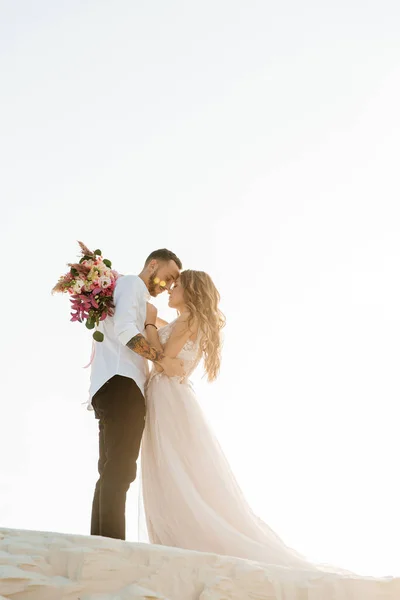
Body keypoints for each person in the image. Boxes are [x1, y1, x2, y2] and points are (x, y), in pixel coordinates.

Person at [141, 270, 315, 569]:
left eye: (176, 285)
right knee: (174, 467)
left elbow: (162, 358)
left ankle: (180, 540)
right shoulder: (185, 320)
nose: (170, 289)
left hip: (167, 396)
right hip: (170, 396)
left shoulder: (187, 319)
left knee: (171, 466)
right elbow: (165, 335)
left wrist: (147, 321)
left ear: (191, 291)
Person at [89, 248, 184, 541]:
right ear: (153, 265)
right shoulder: (132, 285)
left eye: (173, 283)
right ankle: (112, 543)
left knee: (109, 469)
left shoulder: (132, 295)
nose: (167, 286)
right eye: (167, 278)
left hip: (108, 384)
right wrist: (159, 359)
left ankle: (101, 540)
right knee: (120, 468)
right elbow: (125, 331)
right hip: (123, 384)